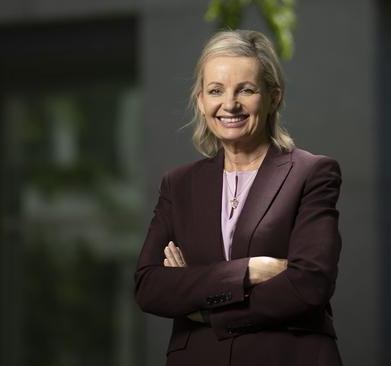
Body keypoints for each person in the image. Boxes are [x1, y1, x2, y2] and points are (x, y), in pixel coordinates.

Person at [134, 29, 343, 366]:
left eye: (245, 90)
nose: (229, 104)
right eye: (216, 91)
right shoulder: (179, 185)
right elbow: (150, 286)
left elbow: (310, 284)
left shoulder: (312, 173)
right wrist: (247, 271)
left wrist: (205, 308)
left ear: (273, 97)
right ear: (201, 100)